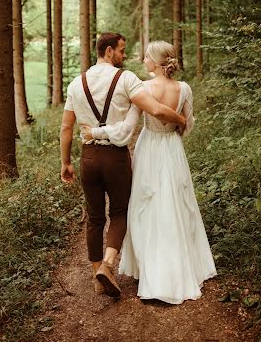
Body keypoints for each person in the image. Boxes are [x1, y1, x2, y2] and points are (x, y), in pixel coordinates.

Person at [81, 40, 217, 304]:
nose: (143, 60)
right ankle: (180, 265)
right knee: (178, 202)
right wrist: (177, 126)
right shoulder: (184, 89)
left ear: (155, 61)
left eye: (146, 57)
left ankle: (149, 269)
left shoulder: (142, 88)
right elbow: (188, 126)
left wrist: (95, 132)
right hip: (172, 147)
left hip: (149, 146)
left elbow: (127, 126)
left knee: (144, 205)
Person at [60, 32, 185, 298]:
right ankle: (108, 263)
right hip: (115, 157)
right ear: (108, 51)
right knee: (119, 212)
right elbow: (157, 110)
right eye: (121, 50)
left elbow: (66, 128)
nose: (125, 55)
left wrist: (66, 162)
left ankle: (97, 274)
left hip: (89, 158)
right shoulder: (126, 79)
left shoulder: (75, 84)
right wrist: (181, 120)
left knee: (94, 217)